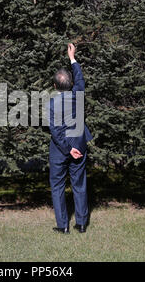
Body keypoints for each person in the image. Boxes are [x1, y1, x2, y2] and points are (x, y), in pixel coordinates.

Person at [47, 43, 93, 234]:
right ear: (71, 84)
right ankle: (81, 224)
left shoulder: (52, 103)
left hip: (61, 150)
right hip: (78, 144)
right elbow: (80, 78)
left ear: (55, 86)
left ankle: (63, 226)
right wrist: (72, 58)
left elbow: (56, 132)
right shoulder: (78, 93)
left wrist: (67, 149)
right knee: (79, 183)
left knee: (57, 186)